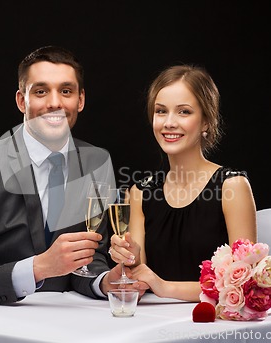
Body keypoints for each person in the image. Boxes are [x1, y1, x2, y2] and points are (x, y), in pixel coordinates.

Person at [0, 46, 131, 305]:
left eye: (66, 91)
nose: (55, 102)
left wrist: (104, 281)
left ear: (81, 100)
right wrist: (38, 268)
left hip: (61, 322)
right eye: (41, 91)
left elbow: (91, 256)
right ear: (21, 100)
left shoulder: (97, 162)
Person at [109, 65, 257, 302]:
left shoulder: (232, 186)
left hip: (215, 326)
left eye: (184, 112)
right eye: (161, 111)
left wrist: (164, 286)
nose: (169, 123)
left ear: (206, 122)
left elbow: (244, 284)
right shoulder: (139, 192)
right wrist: (130, 259)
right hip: (153, 326)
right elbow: (139, 278)